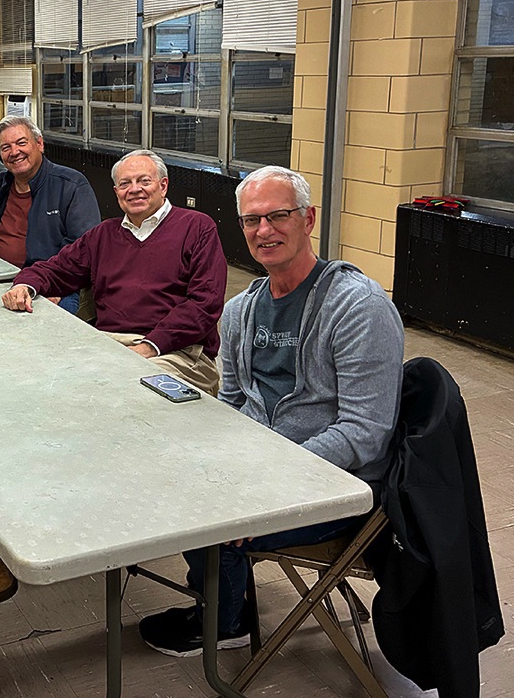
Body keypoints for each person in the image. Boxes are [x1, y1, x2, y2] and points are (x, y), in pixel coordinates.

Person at [138, 164, 403, 657]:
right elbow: (233, 403)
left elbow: (363, 432)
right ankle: (221, 595)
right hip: (265, 468)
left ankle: (226, 622)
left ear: (308, 219)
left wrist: (264, 482)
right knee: (170, 479)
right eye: (251, 220)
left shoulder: (356, 307)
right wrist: (211, 456)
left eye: (278, 216)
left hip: (337, 486)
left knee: (206, 517)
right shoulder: (241, 310)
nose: (264, 230)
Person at [1, 149, 226, 394]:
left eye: (144, 181)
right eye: (125, 184)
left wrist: (150, 346)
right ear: (116, 192)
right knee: (43, 378)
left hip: (178, 352)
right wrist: (25, 285)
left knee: (125, 390)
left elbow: (205, 303)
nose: (134, 189)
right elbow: (57, 270)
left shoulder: (197, 228)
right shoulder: (103, 235)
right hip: (110, 343)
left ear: (163, 186)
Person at [0, 115, 100, 314]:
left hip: (52, 284)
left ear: (40, 144)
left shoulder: (71, 185)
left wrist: (49, 284)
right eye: (6, 147)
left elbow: (83, 248)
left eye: (21, 143)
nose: (14, 152)